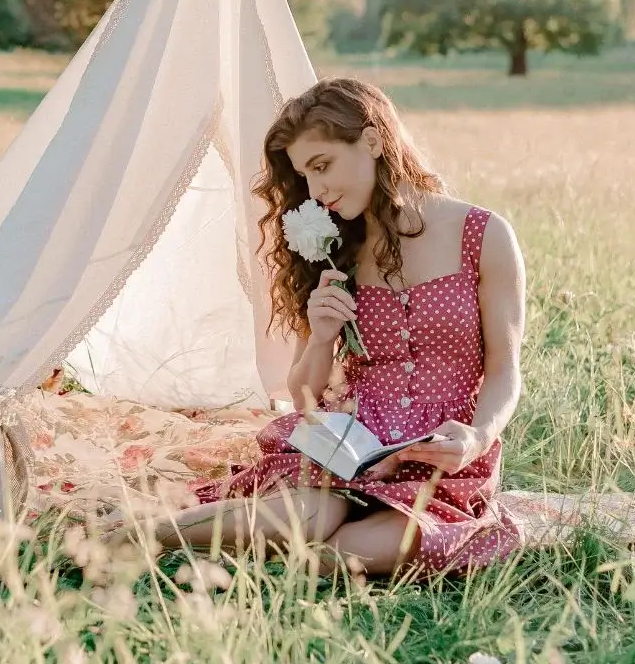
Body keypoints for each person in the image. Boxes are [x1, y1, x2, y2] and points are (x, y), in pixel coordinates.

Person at [136, 77, 526, 578]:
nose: (317, 191)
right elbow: (303, 391)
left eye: (323, 166)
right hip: (347, 448)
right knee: (311, 516)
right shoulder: (332, 250)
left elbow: (504, 371)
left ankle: (252, 553)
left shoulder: (484, 234)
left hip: (441, 459)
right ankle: (139, 533)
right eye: (305, 175)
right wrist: (321, 336)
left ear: (373, 140)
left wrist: (477, 436)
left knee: (344, 553)